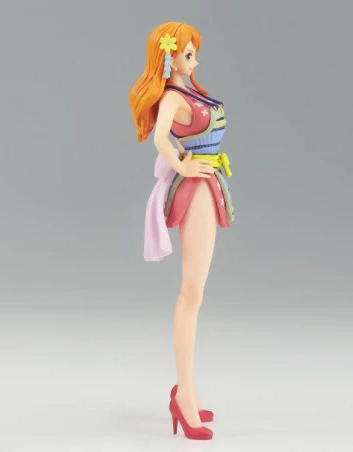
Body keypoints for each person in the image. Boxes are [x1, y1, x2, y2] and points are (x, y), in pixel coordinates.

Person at [128, 21, 235, 440]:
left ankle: (188, 389)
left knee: (195, 293)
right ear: (170, 58)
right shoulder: (173, 96)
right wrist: (183, 167)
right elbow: (160, 139)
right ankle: (184, 395)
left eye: (195, 54)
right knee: (192, 293)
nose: (195, 61)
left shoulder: (188, 91)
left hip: (207, 184)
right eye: (189, 54)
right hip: (197, 190)